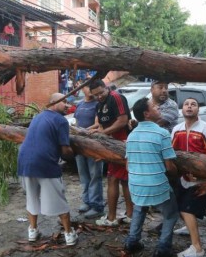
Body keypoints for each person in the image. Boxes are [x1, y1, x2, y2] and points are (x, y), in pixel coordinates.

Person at [17, 93, 78, 246]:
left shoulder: (37, 117)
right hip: (45, 162)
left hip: (24, 162)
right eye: (63, 101)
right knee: (59, 199)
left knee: (31, 198)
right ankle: (69, 234)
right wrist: (75, 154)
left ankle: (32, 230)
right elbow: (65, 150)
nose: (67, 104)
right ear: (53, 102)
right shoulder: (61, 120)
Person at [123, 97, 179, 257]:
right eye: (154, 107)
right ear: (147, 114)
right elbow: (170, 166)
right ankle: (162, 248)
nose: (157, 108)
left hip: (136, 184)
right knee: (171, 214)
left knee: (140, 209)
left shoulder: (132, 135)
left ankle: (132, 241)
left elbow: (127, 166)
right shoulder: (162, 133)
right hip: (156, 184)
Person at [171, 97, 206, 257]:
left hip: (200, 180)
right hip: (182, 177)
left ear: (198, 109)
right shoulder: (177, 129)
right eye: (186, 104)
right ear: (182, 109)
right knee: (180, 205)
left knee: (186, 208)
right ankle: (188, 226)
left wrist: (202, 174)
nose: (189, 107)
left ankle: (197, 248)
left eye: (194, 104)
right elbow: (172, 153)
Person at [88, 79, 134, 226]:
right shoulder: (100, 104)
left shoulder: (116, 97)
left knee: (115, 179)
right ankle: (129, 215)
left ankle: (112, 218)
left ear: (106, 88)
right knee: (122, 180)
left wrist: (103, 134)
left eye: (101, 93)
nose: (99, 96)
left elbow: (122, 120)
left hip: (123, 143)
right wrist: (95, 132)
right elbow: (102, 125)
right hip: (110, 144)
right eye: (95, 95)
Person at [74, 84, 105, 219]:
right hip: (79, 143)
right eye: (87, 87)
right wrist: (75, 130)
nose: (90, 90)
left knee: (95, 175)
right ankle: (86, 201)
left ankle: (96, 204)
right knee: (83, 174)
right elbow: (76, 121)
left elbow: (98, 124)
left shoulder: (98, 104)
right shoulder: (80, 105)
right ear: (82, 89)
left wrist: (82, 131)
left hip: (92, 143)